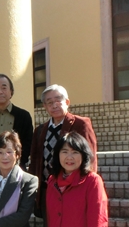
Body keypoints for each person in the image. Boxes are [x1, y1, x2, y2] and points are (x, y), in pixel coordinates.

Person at [29, 84, 98, 217]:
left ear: (67, 102)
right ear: (45, 106)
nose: (54, 105)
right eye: (49, 102)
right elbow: (35, 161)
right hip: (47, 189)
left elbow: (90, 157)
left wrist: (87, 186)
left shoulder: (80, 124)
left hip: (73, 187)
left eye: (58, 100)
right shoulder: (40, 130)